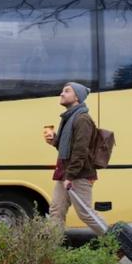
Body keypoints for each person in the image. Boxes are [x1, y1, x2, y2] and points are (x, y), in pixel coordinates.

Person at [43, 82, 103, 235]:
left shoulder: (82, 119)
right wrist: (55, 141)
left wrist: (70, 176)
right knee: (56, 210)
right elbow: (69, 149)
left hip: (78, 174)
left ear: (77, 97)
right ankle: (51, 250)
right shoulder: (68, 118)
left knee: (85, 214)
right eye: (62, 91)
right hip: (66, 172)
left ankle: (116, 243)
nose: (61, 93)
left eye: (67, 91)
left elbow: (80, 151)